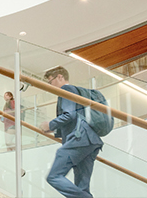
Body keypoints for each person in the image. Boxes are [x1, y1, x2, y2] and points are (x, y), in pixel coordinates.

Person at [41, 66, 103, 198]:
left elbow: (70, 115)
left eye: (50, 81)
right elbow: (74, 117)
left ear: (60, 77)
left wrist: (50, 124)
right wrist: (54, 129)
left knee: (54, 176)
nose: (50, 85)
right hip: (90, 141)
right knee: (82, 187)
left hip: (80, 139)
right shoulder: (76, 91)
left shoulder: (67, 89)